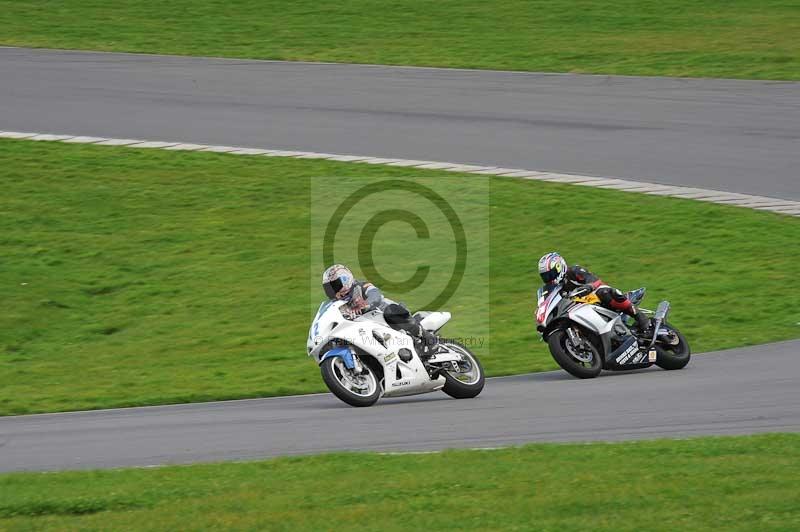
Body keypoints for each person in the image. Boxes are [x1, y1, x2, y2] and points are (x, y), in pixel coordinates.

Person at [322, 264, 438, 356]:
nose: (333, 291)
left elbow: (375, 295)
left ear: (346, 279)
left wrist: (366, 305)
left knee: (390, 311)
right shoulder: (338, 305)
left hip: (389, 318)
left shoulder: (361, 286)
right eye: (329, 288)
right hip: (369, 330)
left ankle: (428, 338)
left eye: (335, 285)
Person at [537, 252, 651, 333]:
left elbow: (596, 281)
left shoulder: (574, 271)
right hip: (578, 311)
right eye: (545, 277)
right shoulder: (554, 289)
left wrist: (589, 287)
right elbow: (546, 302)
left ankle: (640, 316)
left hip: (596, 300)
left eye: (550, 274)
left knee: (604, 291)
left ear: (559, 266)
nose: (549, 279)